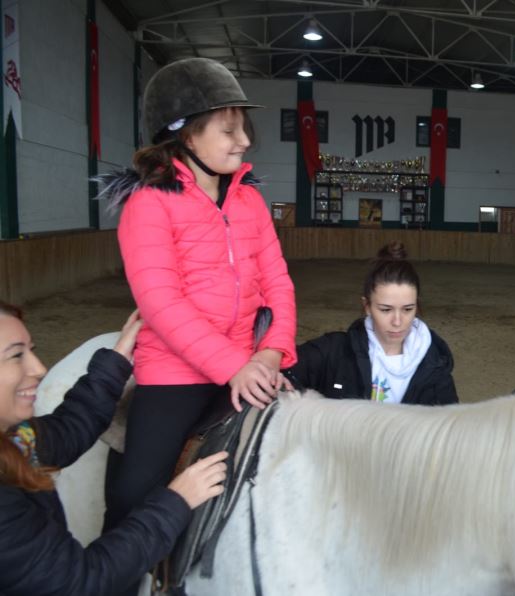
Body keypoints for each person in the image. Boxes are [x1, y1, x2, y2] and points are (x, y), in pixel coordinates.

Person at [97, 57, 297, 592]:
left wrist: (272, 352)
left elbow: (279, 284)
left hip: (249, 363)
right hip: (175, 375)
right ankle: (110, 581)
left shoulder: (251, 201)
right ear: (183, 135)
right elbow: (161, 305)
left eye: (244, 127)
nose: (244, 141)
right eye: (229, 129)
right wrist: (233, 365)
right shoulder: (148, 206)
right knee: (135, 491)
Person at [0, 303, 228, 595]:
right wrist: (176, 501)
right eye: (16, 355)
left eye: (32, 350)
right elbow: (82, 583)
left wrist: (116, 360)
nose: (39, 368)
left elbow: (70, 427)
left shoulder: (17, 440)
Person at [286, 242, 457, 405]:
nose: (397, 322)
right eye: (385, 310)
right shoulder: (332, 351)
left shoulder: (436, 365)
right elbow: (280, 370)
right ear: (366, 306)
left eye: (407, 309)